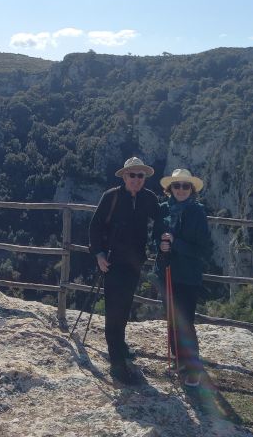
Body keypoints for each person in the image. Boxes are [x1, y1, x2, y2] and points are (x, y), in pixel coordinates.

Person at [88, 157, 160, 384]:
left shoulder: (149, 198)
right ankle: (116, 363)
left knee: (126, 305)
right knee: (113, 308)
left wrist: (165, 239)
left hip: (134, 262)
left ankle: (120, 345)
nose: (137, 179)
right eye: (133, 175)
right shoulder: (111, 197)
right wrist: (98, 254)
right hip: (112, 261)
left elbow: (160, 220)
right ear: (125, 176)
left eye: (141, 176)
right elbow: (95, 226)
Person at [153, 168, 212, 387]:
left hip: (188, 276)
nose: (180, 189)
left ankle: (192, 367)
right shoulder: (162, 209)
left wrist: (176, 243)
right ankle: (179, 359)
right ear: (170, 189)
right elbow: (153, 239)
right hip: (165, 272)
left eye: (185, 186)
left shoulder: (197, 212)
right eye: (176, 186)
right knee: (171, 318)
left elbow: (203, 249)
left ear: (191, 189)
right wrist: (160, 245)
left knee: (185, 321)